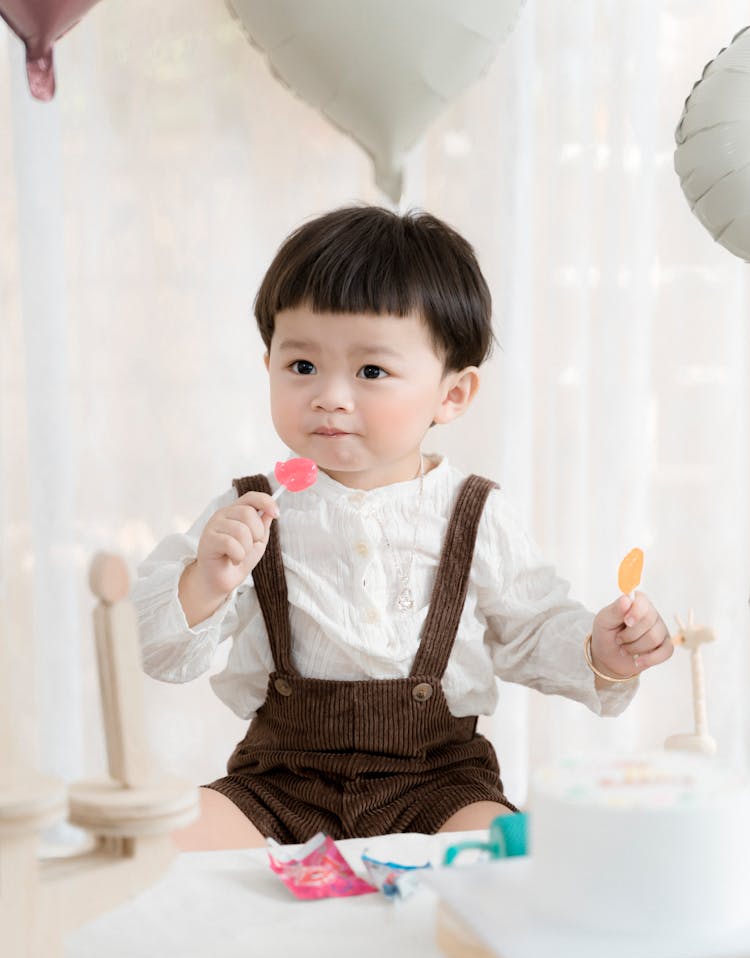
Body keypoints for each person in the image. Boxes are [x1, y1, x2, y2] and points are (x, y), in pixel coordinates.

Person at [132, 205, 673, 851]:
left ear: (452, 395)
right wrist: (207, 582)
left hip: (437, 781)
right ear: (268, 362)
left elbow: (532, 628)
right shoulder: (251, 508)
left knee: (515, 851)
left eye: (370, 371)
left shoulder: (473, 513)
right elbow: (161, 652)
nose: (330, 395)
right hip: (279, 782)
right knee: (158, 844)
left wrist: (602, 651)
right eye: (302, 365)